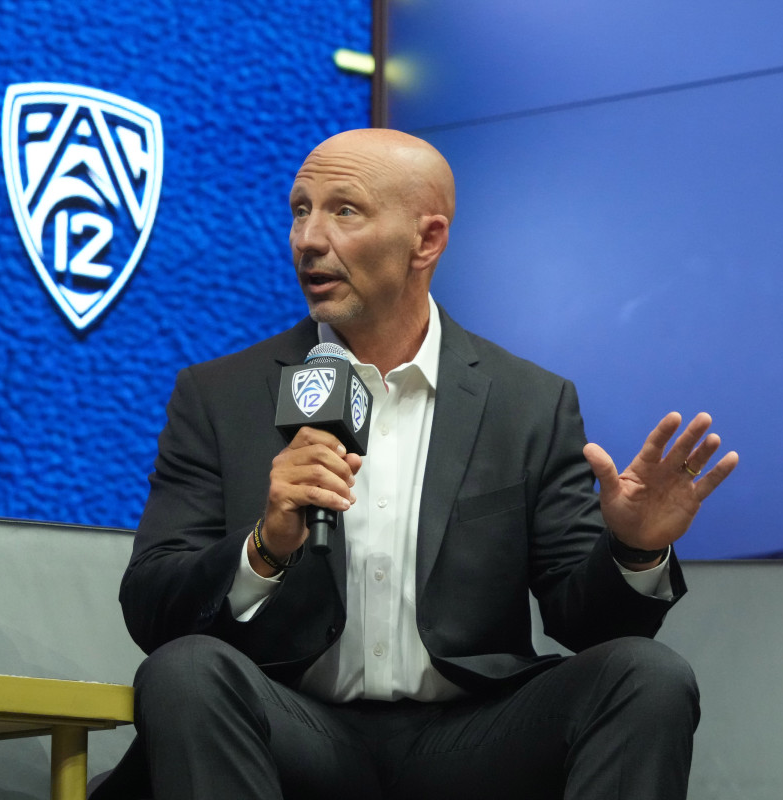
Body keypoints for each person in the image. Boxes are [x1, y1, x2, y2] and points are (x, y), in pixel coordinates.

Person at [100, 128, 738, 800]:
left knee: (646, 674)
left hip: (473, 735)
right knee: (187, 671)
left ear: (426, 241)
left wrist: (634, 550)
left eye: (344, 211)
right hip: (294, 728)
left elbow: (590, 626)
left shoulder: (527, 401)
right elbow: (153, 610)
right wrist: (264, 547)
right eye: (300, 209)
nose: (309, 238)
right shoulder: (219, 395)